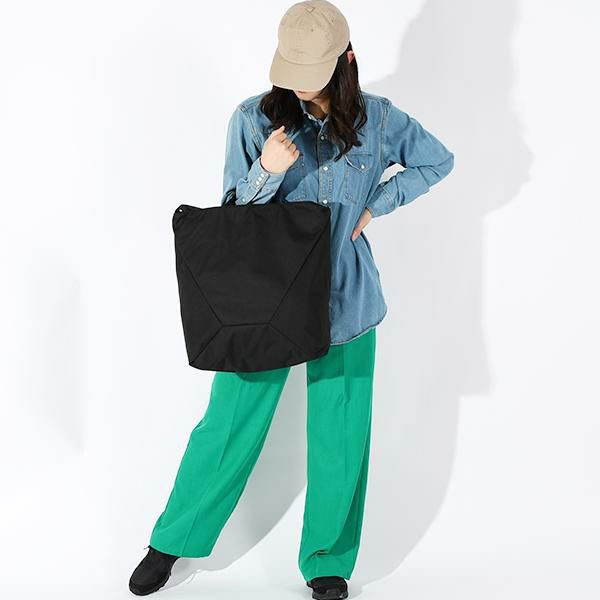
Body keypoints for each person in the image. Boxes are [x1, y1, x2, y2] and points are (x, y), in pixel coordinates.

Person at [128, 0, 454, 598]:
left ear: (346, 61)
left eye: (314, 69)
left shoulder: (380, 120)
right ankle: (171, 542)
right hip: (264, 300)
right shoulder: (253, 119)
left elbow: (437, 161)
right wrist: (267, 169)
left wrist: (375, 205)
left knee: (341, 433)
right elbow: (232, 219)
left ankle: (327, 559)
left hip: (347, 297)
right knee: (228, 424)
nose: (300, 82)